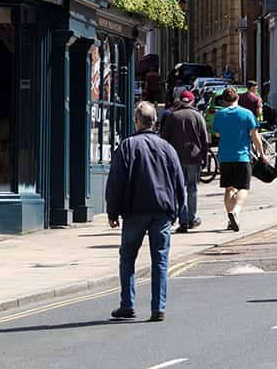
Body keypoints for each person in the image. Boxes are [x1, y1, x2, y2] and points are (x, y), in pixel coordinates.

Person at [105, 100, 184, 322]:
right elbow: (179, 181)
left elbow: (115, 183)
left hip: (134, 211)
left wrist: (112, 212)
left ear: (137, 122)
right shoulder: (167, 148)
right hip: (162, 211)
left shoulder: (127, 146)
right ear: (155, 121)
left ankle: (127, 305)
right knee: (160, 259)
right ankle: (158, 308)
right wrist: (178, 210)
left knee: (128, 256)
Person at [210, 86, 262, 232]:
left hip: (225, 157)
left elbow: (217, 134)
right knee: (243, 188)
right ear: (237, 98)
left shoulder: (220, 114)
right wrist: (262, 154)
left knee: (229, 189)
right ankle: (236, 211)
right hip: (242, 156)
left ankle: (230, 219)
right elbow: (255, 135)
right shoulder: (246, 114)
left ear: (224, 100)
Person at [158, 89, 206, 231]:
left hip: (176, 158)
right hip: (194, 157)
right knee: (193, 188)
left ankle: (183, 220)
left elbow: (164, 139)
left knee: (180, 189)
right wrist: (205, 158)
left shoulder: (173, 116)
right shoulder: (198, 116)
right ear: (192, 101)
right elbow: (204, 139)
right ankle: (192, 218)